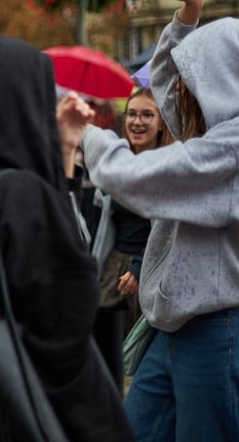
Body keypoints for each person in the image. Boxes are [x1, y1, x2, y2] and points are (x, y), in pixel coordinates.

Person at [59, 0, 239, 441]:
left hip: (216, 334)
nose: (182, 90)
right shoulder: (223, 128)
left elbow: (141, 177)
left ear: (222, 78)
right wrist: (188, 17)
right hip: (177, 332)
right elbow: (168, 83)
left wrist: (82, 135)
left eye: (199, 75)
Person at [0, 34, 133, 441]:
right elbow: (70, 314)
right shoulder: (20, 194)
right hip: (9, 417)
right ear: (19, 102)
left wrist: (60, 152)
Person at [89, 88, 171, 390]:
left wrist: (139, 267)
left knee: (139, 364)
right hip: (112, 270)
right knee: (107, 360)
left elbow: (166, 225)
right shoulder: (119, 163)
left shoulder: (167, 165)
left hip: (147, 273)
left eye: (147, 114)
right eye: (133, 114)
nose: (137, 122)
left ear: (162, 122)